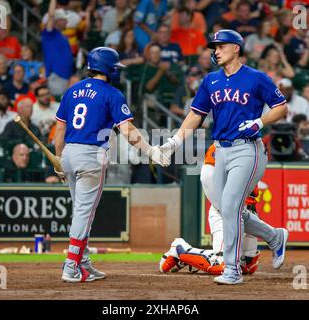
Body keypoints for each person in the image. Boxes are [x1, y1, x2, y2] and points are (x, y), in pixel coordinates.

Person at [159, 29, 289, 285]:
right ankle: (274, 237)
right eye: (214, 46)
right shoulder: (211, 80)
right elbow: (196, 115)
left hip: (247, 147)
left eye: (221, 46)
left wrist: (259, 122)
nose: (215, 50)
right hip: (220, 149)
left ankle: (232, 270)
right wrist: (174, 141)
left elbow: (281, 107)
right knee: (228, 210)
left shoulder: (255, 77)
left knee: (230, 205)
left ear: (237, 47)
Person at [54, 47, 169, 283]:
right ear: (107, 68)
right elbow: (127, 130)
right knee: (84, 214)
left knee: (80, 210)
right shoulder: (112, 93)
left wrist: (58, 159)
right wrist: (150, 151)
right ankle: (70, 266)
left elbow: (59, 129)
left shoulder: (72, 90)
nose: (117, 72)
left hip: (68, 153)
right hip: (90, 155)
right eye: (115, 68)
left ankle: (83, 262)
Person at [160, 143, 261, 276]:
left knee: (247, 265)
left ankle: (193, 257)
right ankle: (180, 249)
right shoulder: (227, 142)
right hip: (226, 210)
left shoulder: (252, 146)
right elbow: (209, 176)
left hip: (247, 210)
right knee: (223, 265)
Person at [41, 0, 74, 96]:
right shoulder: (49, 34)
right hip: (56, 75)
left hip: (66, 76)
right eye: (64, 19)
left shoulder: (62, 36)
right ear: (57, 20)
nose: (66, 21)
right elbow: (51, 15)